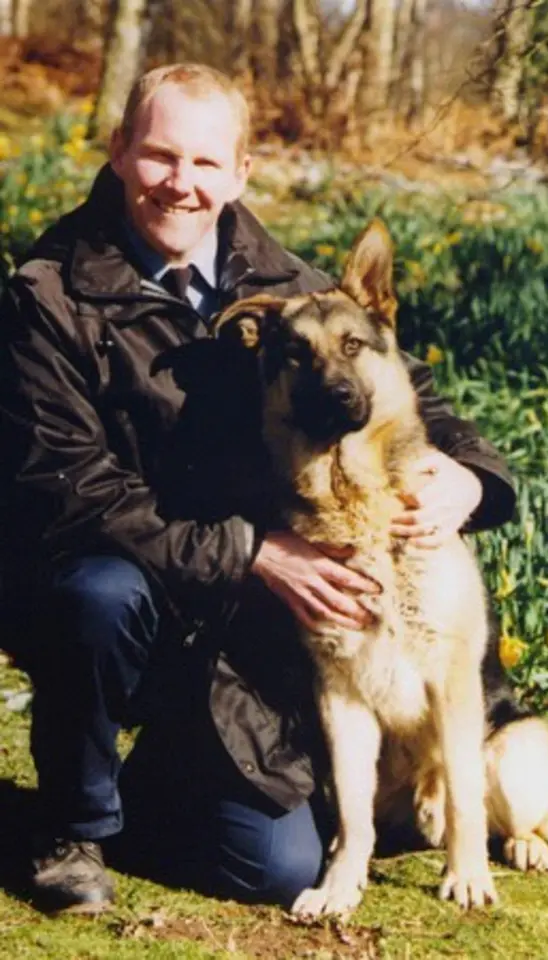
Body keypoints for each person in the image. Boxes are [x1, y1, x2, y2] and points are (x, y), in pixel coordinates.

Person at [0, 63, 515, 914]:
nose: (181, 184)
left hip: (239, 624)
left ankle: (164, 788)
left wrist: (471, 478)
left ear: (241, 171)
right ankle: (73, 823)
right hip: (114, 581)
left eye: (205, 164)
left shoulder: (292, 281)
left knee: (275, 869)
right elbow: (73, 490)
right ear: (120, 151)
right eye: (160, 156)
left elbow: (408, 392)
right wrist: (253, 551)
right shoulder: (47, 296)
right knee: (100, 594)